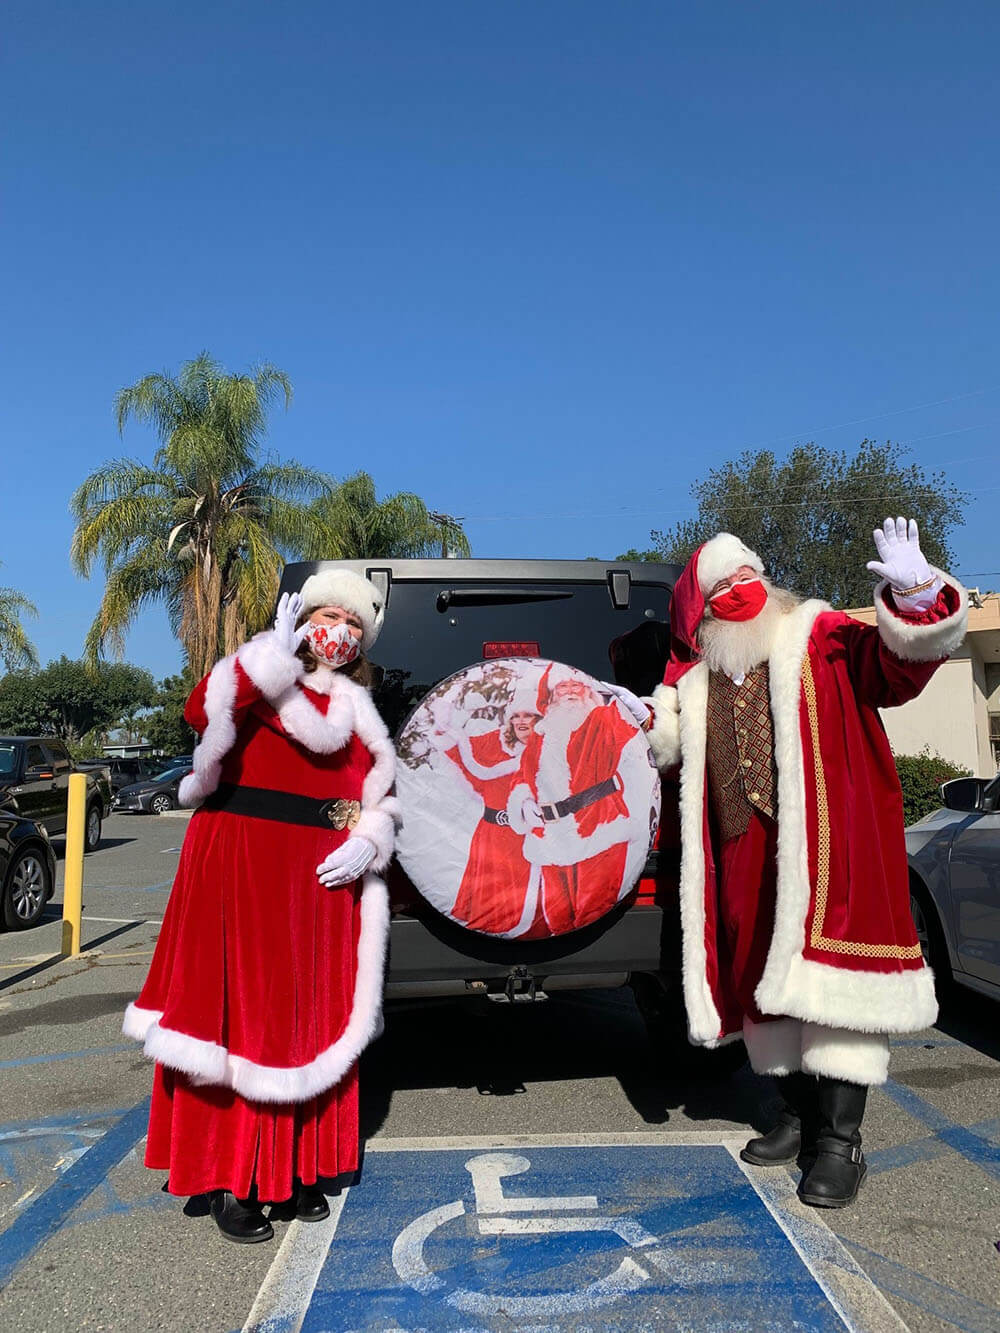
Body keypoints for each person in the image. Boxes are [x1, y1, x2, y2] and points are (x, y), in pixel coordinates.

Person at [642, 518, 967, 1207]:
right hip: (745, 862)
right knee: (765, 988)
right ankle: (795, 1111)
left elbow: (893, 669)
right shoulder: (699, 684)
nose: (740, 589)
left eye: (746, 574)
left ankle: (841, 1141)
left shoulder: (818, 637)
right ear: (701, 613)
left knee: (837, 998)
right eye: (721, 585)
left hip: (827, 854)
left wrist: (916, 596)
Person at [123, 571, 399, 1243]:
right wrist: (264, 658)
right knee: (238, 1017)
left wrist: (370, 839)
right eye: (328, 614)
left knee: (311, 1016)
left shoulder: (361, 706)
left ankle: (299, 1166)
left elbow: (379, 792)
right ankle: (230, 1175)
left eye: (353, 621)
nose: (339, 629)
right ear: (302, 619)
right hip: (241, 863)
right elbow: (198, 712)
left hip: (322, 879)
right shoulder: (260, 674)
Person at [505, 665, 649, 937]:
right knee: (556, 919)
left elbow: (633, 728)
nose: (570, 692)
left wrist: (641, 713)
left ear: (588, 692)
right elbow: (522, 775)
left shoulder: (603, 720)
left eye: (576, 686)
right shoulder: (541, 733)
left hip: (598, 827)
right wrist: (523, 801)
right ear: (553, 696)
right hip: (549, 836)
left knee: (592, 912)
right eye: (563, 687)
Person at [434, 684, 542, 934]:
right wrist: (446, 720)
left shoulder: (552, 748)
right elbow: (457, 751)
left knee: (530, 915)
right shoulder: (495, 742)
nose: (521, 721)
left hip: (532, 839)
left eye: (528, 715)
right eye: (516, 715)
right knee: (484, 916)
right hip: (491, 837)